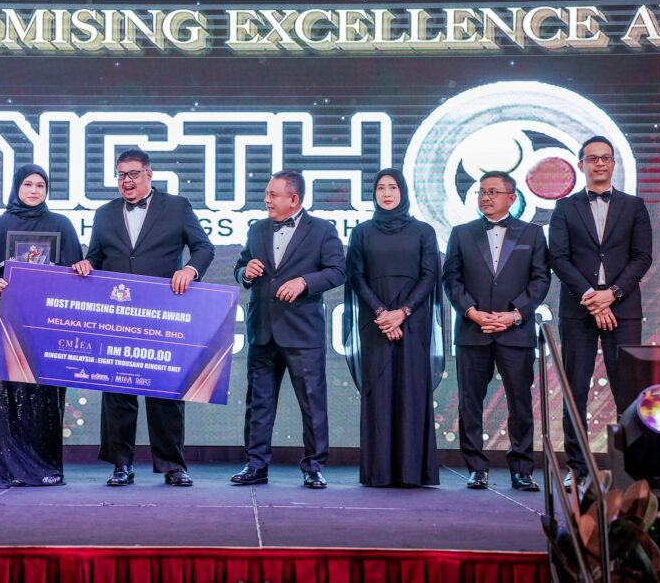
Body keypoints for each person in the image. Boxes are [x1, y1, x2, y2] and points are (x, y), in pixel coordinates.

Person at [73, 148, 215, 487]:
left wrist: (190, 270)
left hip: (162, 314)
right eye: (121, 174)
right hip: (117, 315)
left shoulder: (177, 207)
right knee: (117, 393)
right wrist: (87, 264)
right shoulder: (105, 213)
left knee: (165, 392)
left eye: (133, 174)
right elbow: (96, 257)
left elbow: (204, 248)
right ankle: (121, 464)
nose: (127, 180)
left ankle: (172, 465)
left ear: (149, 174)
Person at [549, 136, 653, 488]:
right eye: (592, 158)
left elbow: (642, 256)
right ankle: (577, 468)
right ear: (581, 165)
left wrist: (613, 294)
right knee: (574, 389)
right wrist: (591, 297)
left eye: (605, 158)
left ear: (613, 163)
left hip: (623, 308)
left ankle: (629, 470)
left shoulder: (634, 206)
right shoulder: (565, 208)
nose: (599, 164)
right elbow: (559, 258)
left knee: (628, 391)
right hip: (578, 309)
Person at [231, 170, 346, 489]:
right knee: (259, 402)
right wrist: (246, 272)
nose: (266, 200)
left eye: (273, 195)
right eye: (267, 194)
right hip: (262, 329)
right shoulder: (257, 229)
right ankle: (256, 464)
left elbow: (338, 271)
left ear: (293, 199)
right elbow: (239, 268)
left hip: (302, 332)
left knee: (312, 403)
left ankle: (314, 466)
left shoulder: (322, 230)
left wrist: (305, 282)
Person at [442, 171, 550, 492]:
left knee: (520, 403)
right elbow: (451, 279)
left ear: (511, 198)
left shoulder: (533, 234)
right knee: (470, 403)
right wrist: (472, 312)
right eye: (481, 192)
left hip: (515, 331)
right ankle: (476, 468)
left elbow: (541, 279)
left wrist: (514, 314)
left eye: (493, 192)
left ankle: (522, 469)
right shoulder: (462, 233)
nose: (485, 197)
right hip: (472, 331)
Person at [0, 164, 82, 487]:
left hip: (48, 328)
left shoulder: (61, 225)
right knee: (10, 399)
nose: (34, 190)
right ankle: (10, 468)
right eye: (28, 184)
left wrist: (77, 269)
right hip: (9, 328)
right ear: (16, 188)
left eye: (40, 185)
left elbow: (75, 273)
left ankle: (46, 467)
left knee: (46, 400)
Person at [345, 168, 440, 488]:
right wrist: (382, 314)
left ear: (403, 192)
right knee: (379, 393)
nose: (387, 193)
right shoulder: (362, 232)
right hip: (376, 323)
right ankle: (379, 472)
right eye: (381, 188)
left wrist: (403, 312)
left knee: (410, 392)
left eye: (393, 187)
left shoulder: (424, 231)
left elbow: (429, 275)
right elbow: (356, 277)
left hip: (413, 322)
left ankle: (412, 472)